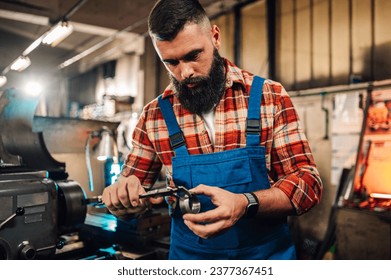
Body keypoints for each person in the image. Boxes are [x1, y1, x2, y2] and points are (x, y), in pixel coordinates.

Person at [101, 0, 322, 260]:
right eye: (171, 62)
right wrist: (122, 200)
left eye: (193, 55)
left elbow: (308, 183)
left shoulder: (269, 96)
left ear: (215, 37)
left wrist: (245, 203)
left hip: (264, 259)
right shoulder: (154, 116)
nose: (185, 72)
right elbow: (135, 195)